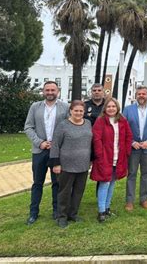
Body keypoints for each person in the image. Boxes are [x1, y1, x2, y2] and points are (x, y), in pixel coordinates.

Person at [24, 81, 69, 225]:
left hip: (57, 152)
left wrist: (57, 144)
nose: (50, 92)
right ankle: (33, 213)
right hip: (39, 151)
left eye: (53, 90)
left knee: (57, 183)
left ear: (58, 91)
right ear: (43, 91)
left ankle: (56, 211)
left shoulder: (65, 107)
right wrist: (40, 142)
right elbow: (28, 127)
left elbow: (68, 128)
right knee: (37, 183)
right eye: (47, 90)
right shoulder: (35, 107)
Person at [49, 100, 92, 228]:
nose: (78, 113)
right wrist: (55, 164)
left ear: (84, 112)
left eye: (81, 111)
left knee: (79, 191)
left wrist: (90, 160)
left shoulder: (88, 123)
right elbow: (55, 145)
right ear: (71, 111)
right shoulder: (63, 125)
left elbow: (90, 143)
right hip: (66, 165)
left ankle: (73, 214)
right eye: (76, 110)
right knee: (64, 192)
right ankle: (62, 216)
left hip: (83, 165)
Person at [90, 98, 132, 222]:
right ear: (105, 108)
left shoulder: (122, 120)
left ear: (117, 108)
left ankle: (107, 208)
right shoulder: (100, 121)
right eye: (109, 106)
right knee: (104, 183)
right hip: (105, 157)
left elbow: (129, 136)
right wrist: (99, 154)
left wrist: (126, 152)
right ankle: (101, 210)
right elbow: (96, 139)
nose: (111, 109)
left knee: (112, 183)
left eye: (113, 106)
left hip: (118, 157)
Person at [122, 85, 147, 211]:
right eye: (139, 94)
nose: (141, 96)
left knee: (146, 174)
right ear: (136, 95)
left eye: (144, 94)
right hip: (133, 148)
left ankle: (144, 199)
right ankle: (129, 201)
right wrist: (131, 142)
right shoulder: (127, 109)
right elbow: (123, 128)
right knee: (131, 174)